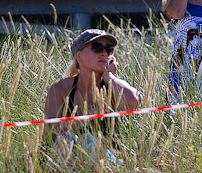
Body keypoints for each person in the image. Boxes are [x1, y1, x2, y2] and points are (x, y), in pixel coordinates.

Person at [43, 29, 142, 162]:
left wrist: (109, 76)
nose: (104, 53)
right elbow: (50, 133)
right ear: (79, 56)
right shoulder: (61, 88)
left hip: (107, 161)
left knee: (89, 143)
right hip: (68, 160)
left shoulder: (113, 86)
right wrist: (91, 114)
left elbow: (133, 102)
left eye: (109, 49)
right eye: (97, 47)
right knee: (67, 139)